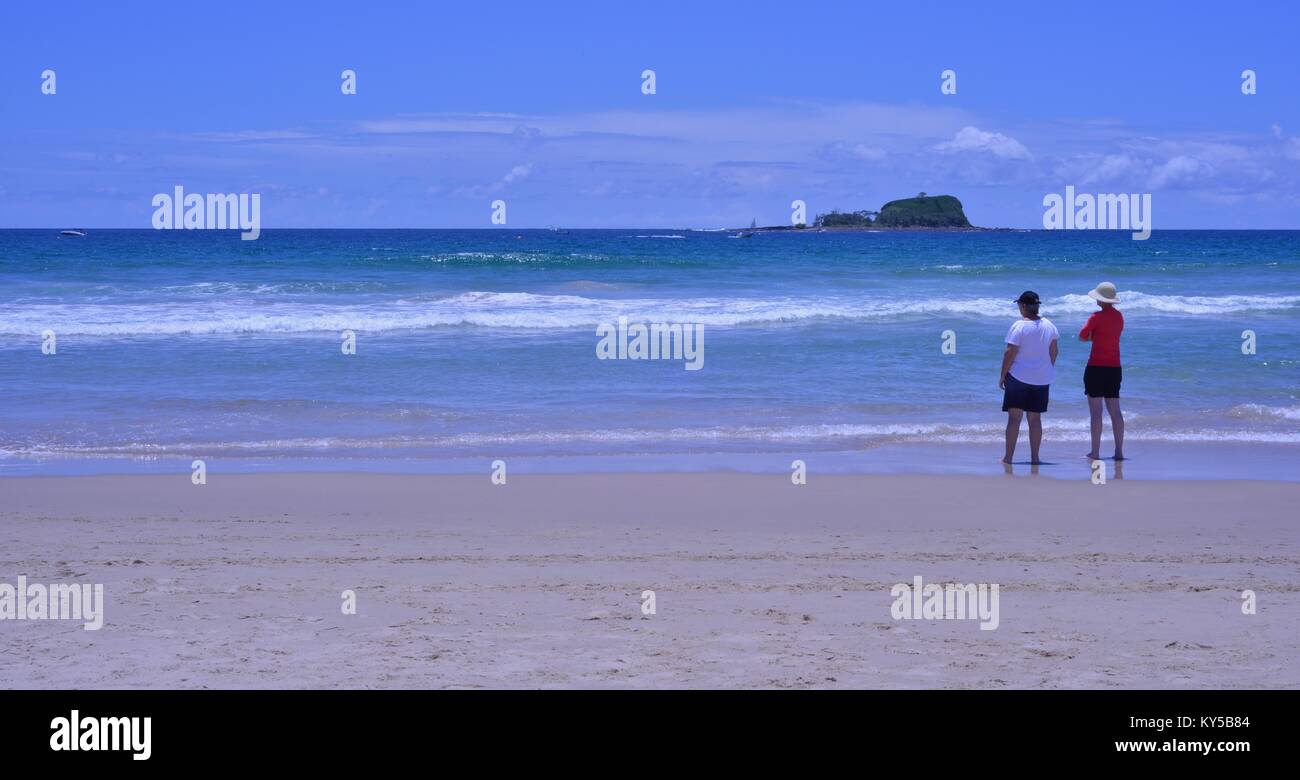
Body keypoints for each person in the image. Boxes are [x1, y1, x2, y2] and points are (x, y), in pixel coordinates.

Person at [999, 291, 1060, 465]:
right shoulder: (1049, 325)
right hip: (1041, 379)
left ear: (1024, 306)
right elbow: (1054, 351)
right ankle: (1035, 458)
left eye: (1019, 305)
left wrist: (1002, 376)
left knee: (1014, 418)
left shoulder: (1019, 326)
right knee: (1035, 419)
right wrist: (1046, 369)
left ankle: (1008, 458)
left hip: (1018, 378)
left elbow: (1009, 353)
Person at [1078, 281, 1124, 460]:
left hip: (1096, 367)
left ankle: (1095, 452)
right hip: (1115, 368)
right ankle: (1119, 451)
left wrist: (1093, 337)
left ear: (1100, 299)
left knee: (1096, 412)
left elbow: (1082, 336)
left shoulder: (1095, 317)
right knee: (1115, 410)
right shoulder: (1119, 317)